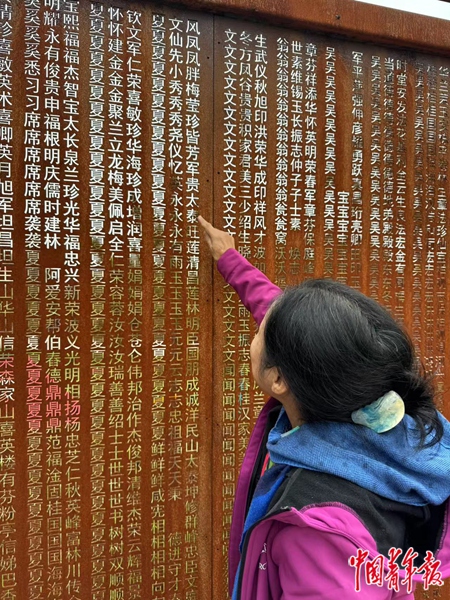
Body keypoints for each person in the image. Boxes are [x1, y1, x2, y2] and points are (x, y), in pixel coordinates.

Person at [198, 215, 450, 600]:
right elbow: (288, 322)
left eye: (260, 333)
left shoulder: (316, 531)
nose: (256, 334)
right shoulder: (380, 425)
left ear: (280, 378)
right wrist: (230, 259)